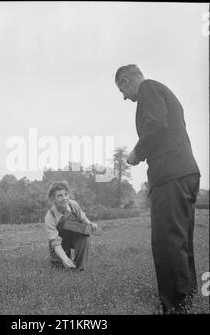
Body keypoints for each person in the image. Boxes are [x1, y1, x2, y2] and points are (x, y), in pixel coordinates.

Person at [115, 64, 201, 314]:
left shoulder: (149, 89)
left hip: (170, 175)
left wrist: (137, 153)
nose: (124, 97)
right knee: (181, 238)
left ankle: (174, 305)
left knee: (166, 240)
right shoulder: (162, 91)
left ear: (127, 80)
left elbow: (156, 126)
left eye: (122, 89)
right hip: (185, 172)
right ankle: (187, 295)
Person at [44, 181, 98, 271]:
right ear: (53, 199)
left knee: (85, 236)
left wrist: (90, 224)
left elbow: (83, 219)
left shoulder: (73, 205)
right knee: (60, 268)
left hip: (73, 237)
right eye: (60, 196)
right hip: (59, 242)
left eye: (66, 194)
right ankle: (64, 261)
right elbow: (55, 243)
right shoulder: (50, 216)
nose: (64, 198)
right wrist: (65, 259)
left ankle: (79, 268)